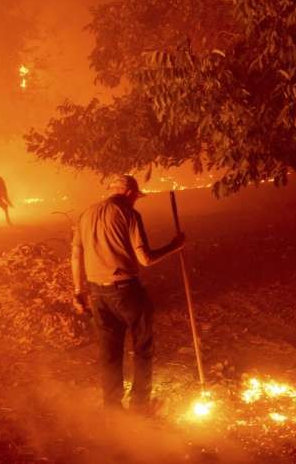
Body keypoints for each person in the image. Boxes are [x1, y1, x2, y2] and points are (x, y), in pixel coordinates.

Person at [71, 175, 185, 413]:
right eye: (136, 198)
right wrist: (175, 245)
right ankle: (140, 405)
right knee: (143, 346)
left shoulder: (86, 214)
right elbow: (146, 259)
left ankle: (112, 407)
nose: (136, 202)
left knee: (110, 352)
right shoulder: (130, 214)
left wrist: (78, 292)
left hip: (96, 293)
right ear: (130, 194)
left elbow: (75, 256)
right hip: (126, 291)